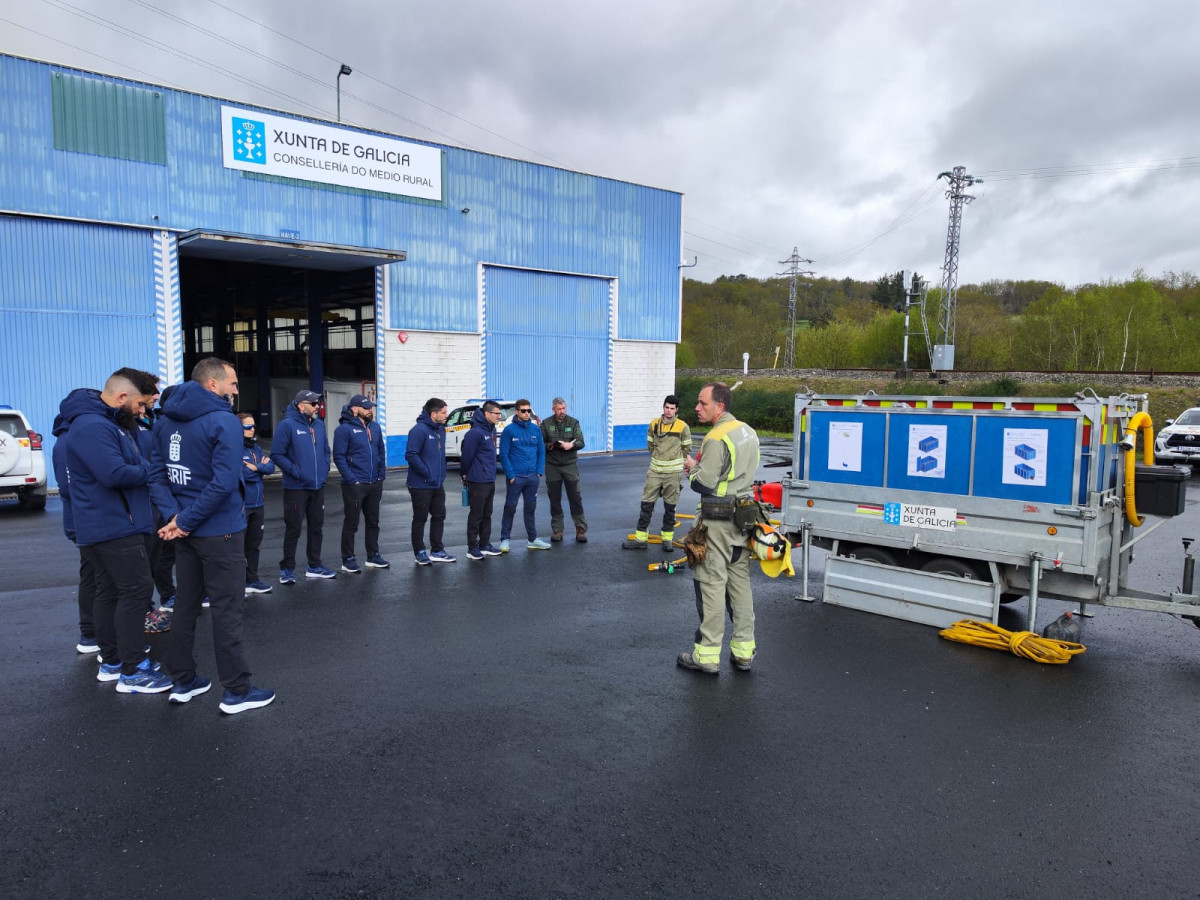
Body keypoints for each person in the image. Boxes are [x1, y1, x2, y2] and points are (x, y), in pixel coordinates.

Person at [155, 357, 274, 713]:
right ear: (212, 385)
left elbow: (156, 475)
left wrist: (175, 518)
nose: (236, 390)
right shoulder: (224, 421)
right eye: (233, 384)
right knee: (227, 610)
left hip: (186, 532)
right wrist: (186, 520)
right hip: (219, 531)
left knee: (186, 605)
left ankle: (183, 680)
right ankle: (237, 690)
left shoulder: (164, 421)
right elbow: (224, 482)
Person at [64, 367, 174, 694]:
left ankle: (113, 661)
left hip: (111, 524)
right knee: (135, 593)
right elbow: (113, 473)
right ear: (122, 396)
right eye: (141, 404)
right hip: (113, 527)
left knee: (112, 593)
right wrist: (151, 470)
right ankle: (133, 670)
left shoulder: (108, 423)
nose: (144, 411)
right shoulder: (93, 426)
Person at [677, 382, 760, 675]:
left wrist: (691, 469)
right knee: (740, 587)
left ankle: (707, 656)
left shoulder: (715, 437)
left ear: (719, 406)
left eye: (703, 403)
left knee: (711, 586)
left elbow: (704, 483)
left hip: (716, 522)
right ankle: (744, 652)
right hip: (743, 520)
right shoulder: (747, 432)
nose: (697, 408)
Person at [51, 389, 100, 655]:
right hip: (83, 521)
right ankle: (90, 634)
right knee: (94, 577)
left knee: (96, 577)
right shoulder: (68, 441)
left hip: (86, 519)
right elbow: (69, 487)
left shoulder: (73, 436)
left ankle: (95, 632)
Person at [272, 389, 336, 582]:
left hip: (317, 486)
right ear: (301, 405)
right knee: (294, 529)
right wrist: (296, 472)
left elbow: (326, 450)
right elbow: (277, 454)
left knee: (317, 527)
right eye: (314, 404)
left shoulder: (319, 425)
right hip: (296, 488)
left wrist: (324, 469)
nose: (318, 407)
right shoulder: (286, 426)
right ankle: (287, 569)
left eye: (318, 403)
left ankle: (314, 565)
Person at [623, 395, 692, 552]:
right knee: (646, 505)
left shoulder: (682, 427)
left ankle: (667, 540)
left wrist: (675, 461)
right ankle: (640, 539)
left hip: (672, 474)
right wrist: (658, 457)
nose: (669, 411)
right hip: (655, 471)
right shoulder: (654, 424)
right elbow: (650, 444)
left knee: (670, 507)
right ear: (663, 407)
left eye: (672, 408)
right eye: (667, 407)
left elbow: (686, 448)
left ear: (676, 410)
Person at [333, 394, 388, 573]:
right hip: (354, 484)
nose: (370, 410)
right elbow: (339, 457)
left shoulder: (375, 427)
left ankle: (373, 555)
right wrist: (352, 479)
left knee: (373, 522)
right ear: (354, 409)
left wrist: (381, 475)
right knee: (352, 523)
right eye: (366, 408)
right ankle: (348, 558)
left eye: (371, 407)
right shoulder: (344, 430)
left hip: (374, 483)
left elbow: (381, 451)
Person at [405, 398, 455, 565]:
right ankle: (419, 551)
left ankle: (437, 550)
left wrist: (440, 475)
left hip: (437, 483)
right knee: (420, 518)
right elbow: (411, 455)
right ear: (433, 414)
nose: (446, 415)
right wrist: (427, 473)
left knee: (439, 515)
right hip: (421, 484)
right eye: (443, 412)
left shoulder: (441, 429)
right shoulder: (419, 430)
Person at [498, 399, 550, 552]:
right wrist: (511, 475)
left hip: (532, 477)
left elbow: (541, 452)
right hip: (516, 478)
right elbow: (504, 455)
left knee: (530, 508)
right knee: (510, 508)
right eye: (523, 411)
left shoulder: (535, 430)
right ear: (517, 412)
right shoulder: (509, 430)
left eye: (529, 411)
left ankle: (532, 539)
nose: (527, 413)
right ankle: (505, 540)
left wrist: (539, 472)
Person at [460, 400, 504, 560]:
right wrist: (464, 474)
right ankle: (472, 547)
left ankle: (484, 544)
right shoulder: (475, 433)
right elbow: (466, 456)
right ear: (487, 414)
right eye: (497, 413)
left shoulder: (490, 430)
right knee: (476, 514)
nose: (499, 416)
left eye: (500, 413)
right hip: (477, 480)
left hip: (489, 479)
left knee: (487, 513)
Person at [540, 397, 587, 543]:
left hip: (569, 465)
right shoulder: (546, 424)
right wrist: (551, 446)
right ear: (553, 409)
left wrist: (571, 445)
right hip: (552, 465)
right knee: (554, 499)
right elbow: (541, 443)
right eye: (559, 409)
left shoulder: (573, 422)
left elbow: (581, 441)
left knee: (575, 497)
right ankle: (557, 530)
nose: (562, 412)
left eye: (564, 409)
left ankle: (580, 529)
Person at [239, 412, 275, 593]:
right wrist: (259, 470)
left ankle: (251, 580)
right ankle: (237, 584)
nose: (252, 430)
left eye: (253, 426)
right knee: (238, 548)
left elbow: (271, 467)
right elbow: (242, 474)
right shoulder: (235, 449)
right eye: (248, 427)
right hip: (242, 506)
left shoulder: (256, 449)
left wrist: (258, 467)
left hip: (258, 505)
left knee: (253, 545)